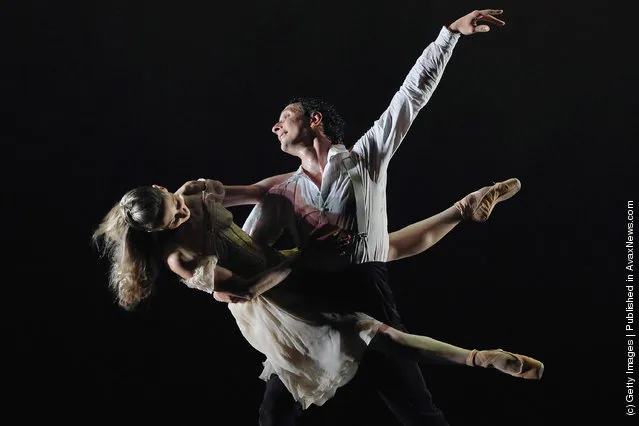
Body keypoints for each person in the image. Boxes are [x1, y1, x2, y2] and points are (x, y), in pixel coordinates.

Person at [202, 8, 513, 426]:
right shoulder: (281, 192)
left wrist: (450, 35)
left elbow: (410, 98)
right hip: (309, 299)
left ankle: (462, 216)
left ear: (314, 120)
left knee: (417, 410)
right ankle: (461, 211)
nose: (275, 127)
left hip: (367, 287)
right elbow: (246, 249)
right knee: (275, 412)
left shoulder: (364, 160)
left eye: (284, 118)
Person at [93, 179, 542, 411]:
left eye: (175, 200)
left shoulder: (191, 194)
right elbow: (245, 290)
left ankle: (462, 209)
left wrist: (286, 196)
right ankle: (479, 357)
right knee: (368, 331)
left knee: (382, 247)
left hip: (269, 251)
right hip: (273, 300)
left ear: (164, 188)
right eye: (174, 219)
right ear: (157, 234)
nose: (183, 210)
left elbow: (262, 195)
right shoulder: (180, 258)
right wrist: (299, 256)